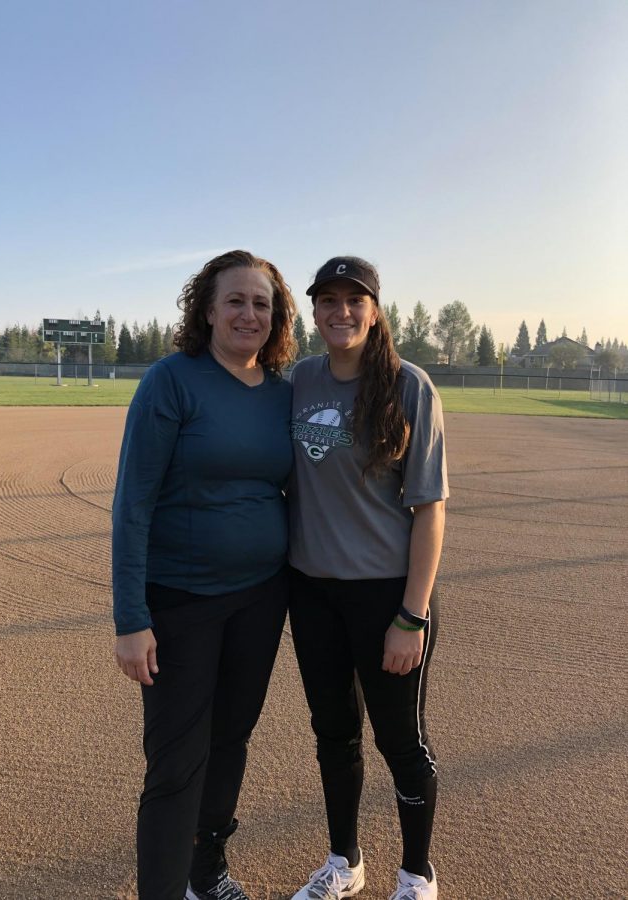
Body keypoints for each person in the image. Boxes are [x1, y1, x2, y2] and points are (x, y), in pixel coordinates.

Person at [112, 250, 297, 900]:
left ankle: (206, 871)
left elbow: (323, 460)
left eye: (261, 304)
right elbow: (132, 501)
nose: (249, 313)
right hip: (181, 600)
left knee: (230, 742)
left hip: (260, 598)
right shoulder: (172, 381)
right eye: (236, 301)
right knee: (175, 763)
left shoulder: (284, 392)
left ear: (276, 318)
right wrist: (131, 619)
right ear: (207, 309)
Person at [287, 257, 448, 900]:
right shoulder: (298, 380)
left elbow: (430, 509)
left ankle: (415, 874)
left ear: (374, 310)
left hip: (386, 596)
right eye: (327, 300)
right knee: (334, 736)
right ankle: (343, 862)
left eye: (354, 300)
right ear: (315, 312)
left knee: (401, 743)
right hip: (312, 592)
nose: (340, 312)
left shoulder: (409, 386)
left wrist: (412, 615)